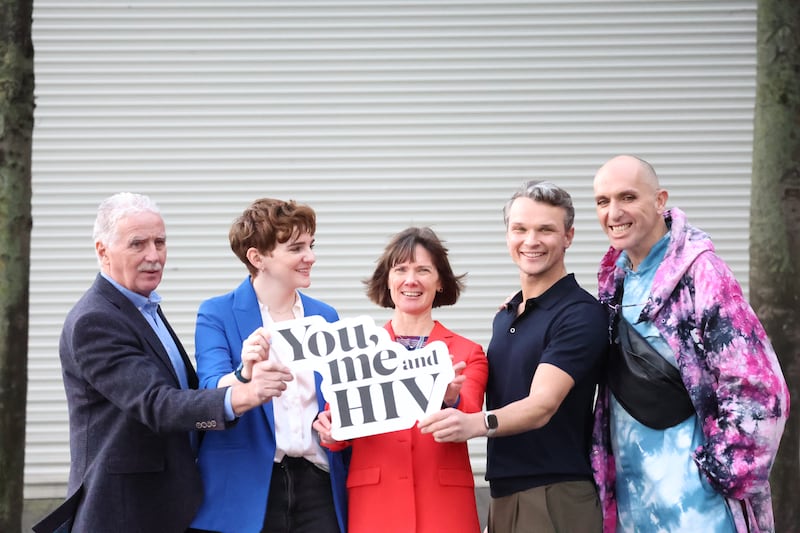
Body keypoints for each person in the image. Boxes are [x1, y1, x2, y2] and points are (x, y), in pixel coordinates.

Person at [33, 193, 293, 533]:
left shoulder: (142, 307)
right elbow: (157, 404)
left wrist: (243, 374)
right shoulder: (95, 320)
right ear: (102, 251)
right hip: (125, 511)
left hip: (168, 504)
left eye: (160, 242)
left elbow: (182, 390)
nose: (153, 256)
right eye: (137, 244)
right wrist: (247, 395)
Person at [589, 155, 790, 533]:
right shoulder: (615, 283)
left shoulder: (703, 274)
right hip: (633, 498)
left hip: (698, 502)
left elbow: (759, 387)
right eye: (603, 201)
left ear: (660, 200)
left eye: (627, 197)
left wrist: (725, 472)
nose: (614, 212)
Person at [419, 181, 608, 533]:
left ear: (568, 236)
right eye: (520, 229)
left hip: (554, 494)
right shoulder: (508, 313)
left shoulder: (579, 314)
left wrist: (474, 424)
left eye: (545, 230)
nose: (531, 241)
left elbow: (541, 405)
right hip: (506, 491)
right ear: (507, 235)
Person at [313, 226, 489, 533]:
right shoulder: (356, 351)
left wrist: (450, 399)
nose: (411, 280)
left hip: (445, 507)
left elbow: (471, 415)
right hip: (375, 505)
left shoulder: (467, 351)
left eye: (423, 270)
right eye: (401, 269)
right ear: (388, 280)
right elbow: (339, 432)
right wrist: (330, 432)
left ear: (441, 283)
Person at [188, 198, 348, 533]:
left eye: (311, 245)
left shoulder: (325, 317)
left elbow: (338, 396)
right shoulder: (217, 313)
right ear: (257, 257)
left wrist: (339, 425)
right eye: (296, 248)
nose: (311, 257)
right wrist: (244, 373)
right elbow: (210, 389)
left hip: (319, 483)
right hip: (246, 486)